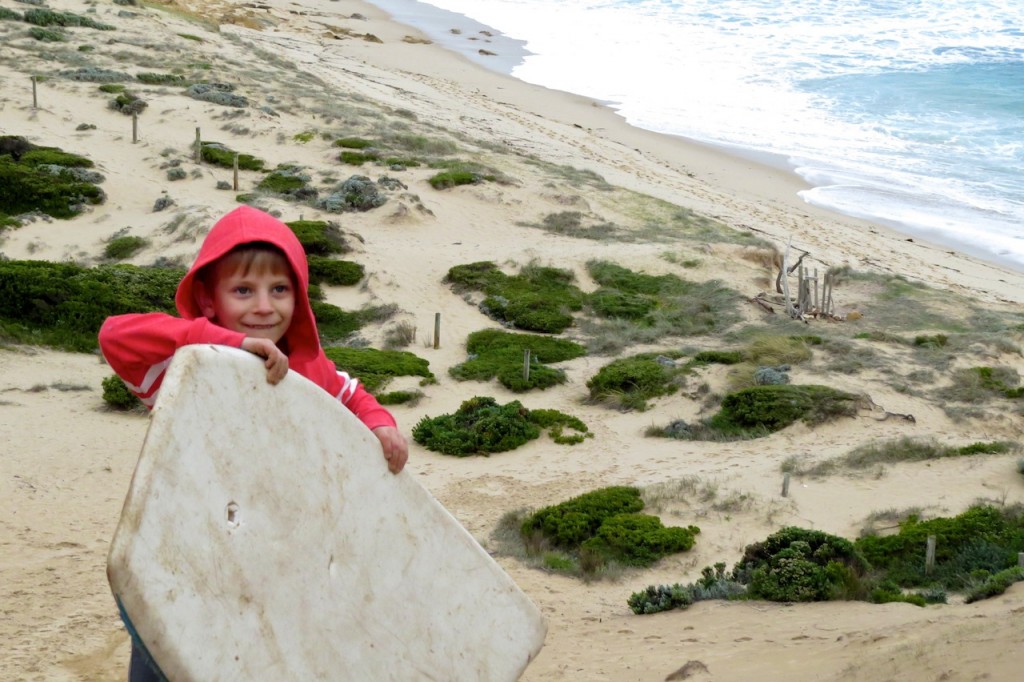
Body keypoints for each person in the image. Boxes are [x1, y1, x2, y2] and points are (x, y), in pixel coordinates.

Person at [98, 205, 408, 681]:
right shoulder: (188, 367)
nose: (264, 306)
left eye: (279, 289)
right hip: (181, 563)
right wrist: (216, 341)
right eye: (243, 290)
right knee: (163, 661)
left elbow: (352, 394)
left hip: (265, 570)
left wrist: (380, 423)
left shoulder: (309, 371)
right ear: (207, 299)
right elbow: (115, 335)